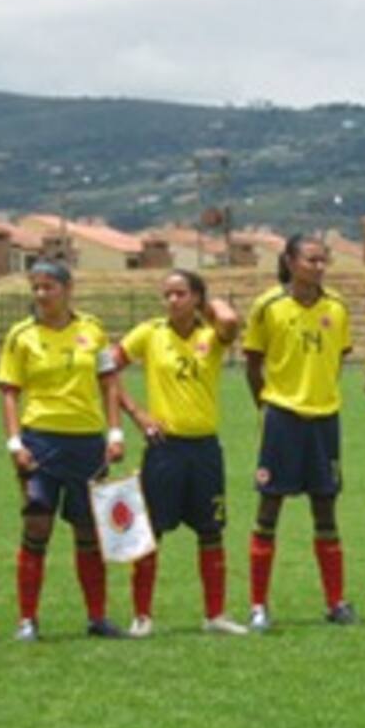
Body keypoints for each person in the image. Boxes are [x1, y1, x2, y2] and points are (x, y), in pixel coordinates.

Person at [115, 270, 248, 637]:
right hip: (165, 449)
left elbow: (231, 321)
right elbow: (106, 367)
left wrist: (211, 305)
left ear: (197, 298)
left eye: (180, 293)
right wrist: (138, 414)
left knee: (211, 531)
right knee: (151, 534)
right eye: (167, 294)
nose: (172, 300)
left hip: (205, 448)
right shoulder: (150, 333)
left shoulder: (212, 335)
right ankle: (142, 616)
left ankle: (215, 615)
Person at [0, 261, 125, 641]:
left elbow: (109, 382)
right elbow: (9, 392)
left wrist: (115, 432)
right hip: (41, 442)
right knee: (37, 524)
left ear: (68, 289)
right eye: (35, 287)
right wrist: (14, 442)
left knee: (88, 530)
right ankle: (27, 620)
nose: (41, 294)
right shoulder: (21, 335)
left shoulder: (92, 329)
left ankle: (97, 617)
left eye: (48, 287)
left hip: (87, 443)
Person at [243, 235, 354, 631]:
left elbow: (337, 360)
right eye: (311, 260)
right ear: (289, 262)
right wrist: (271, 405)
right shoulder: (268, 307)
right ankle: (258, 605)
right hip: (282, 419)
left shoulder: (338, 307)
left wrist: (318, 395)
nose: (319, 267)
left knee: (325, 509)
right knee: (268, 509)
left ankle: (336, 601)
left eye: (323, 260)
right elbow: (252, 364)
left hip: (325, 420)